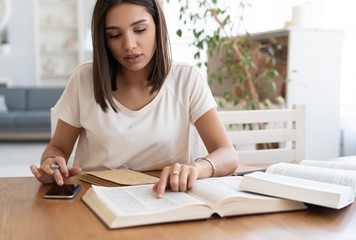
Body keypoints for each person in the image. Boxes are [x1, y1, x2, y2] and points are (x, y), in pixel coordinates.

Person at [30, 0, 238, 198]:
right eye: (114, 35)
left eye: (140, 30)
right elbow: (58, 148)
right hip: (93, 197)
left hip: (165, 196)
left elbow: (227, 153)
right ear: (103, 39)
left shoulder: (186, 78)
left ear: (158, 26)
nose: (129, 45)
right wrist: (51, 164)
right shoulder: (84, 79)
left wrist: (196, 168)